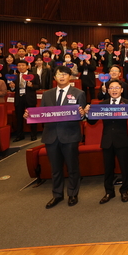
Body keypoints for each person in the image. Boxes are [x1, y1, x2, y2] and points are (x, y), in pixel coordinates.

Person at [31, 66, 87, 208]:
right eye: (59, 74)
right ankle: (57, 195)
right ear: (54, 77)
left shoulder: (79, 93)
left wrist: (82, 114)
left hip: (70, 135)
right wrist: (30, 115)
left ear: (70, 77)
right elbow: (43, 114)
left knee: (72, 167)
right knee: (55, 168)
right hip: (51, 136)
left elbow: (82, 116)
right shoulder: (47, 94)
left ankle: (73, 193)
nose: (61, 76)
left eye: (64, 74)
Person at [85, 79, 128, 204]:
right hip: (107, 140)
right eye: (111, 88)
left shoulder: (127, 103)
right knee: (108, 168)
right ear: (108, 90)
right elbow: (92, 122)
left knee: (124, 168)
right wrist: (88, 114)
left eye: (117, 88)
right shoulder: (102, 104)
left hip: (122, 140)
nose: (114, 90)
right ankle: (109, 192)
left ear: (121, 90)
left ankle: (124, 191)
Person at [8, 60, 40, 142]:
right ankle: (20, 135)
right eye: (19, 65)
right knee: (19, 118)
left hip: (30, 99)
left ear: (27, 66)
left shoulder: (34, 75)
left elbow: (38, 86)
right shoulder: (15, 76)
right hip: (19, 99)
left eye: (22, 65)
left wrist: (32, 85)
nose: (21, 67)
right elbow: (13, 89)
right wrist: (12, 87)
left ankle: (33, 134)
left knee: (32, 117)